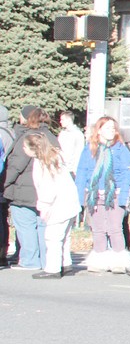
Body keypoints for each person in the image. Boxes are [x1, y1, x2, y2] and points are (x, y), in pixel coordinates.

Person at [74, 116, 130, 274]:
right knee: (98, 229)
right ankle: (99, 260)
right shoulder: (89, 149)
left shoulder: (121, 149)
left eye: (113, 128)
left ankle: (119, 261)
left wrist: (123, 196)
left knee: (115, 228)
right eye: (107, 128)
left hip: (114, 194)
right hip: (94, 194)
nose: (111, 131)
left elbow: (126, 172)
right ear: (99, 130)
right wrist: (80, 196)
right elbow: (82, 172)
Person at [3, 106, 58, 270]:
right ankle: (44, 259)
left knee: (25, 225)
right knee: (41, 226)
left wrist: (3, 183)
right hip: (45, 190)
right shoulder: (51, 136)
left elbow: (16, 166)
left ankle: (29, 260)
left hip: (23, 190)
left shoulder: (28, 137)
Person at [22, 133, 80, 279]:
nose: (24, 149)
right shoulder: (55, 156)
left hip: (58, 204)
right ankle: (66, 264)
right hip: (70, 201)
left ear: (34, 148)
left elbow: (47, 188)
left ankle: (53, 268)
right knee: (65, 236)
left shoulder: (44, 162)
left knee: (52, 237)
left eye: (25, 146)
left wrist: (43, 206)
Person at [0, 104, 15, 267]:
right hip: (8, 180)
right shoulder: (12, 131)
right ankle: (4, 250)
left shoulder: (0, 134)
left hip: (2, 178)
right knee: (3, 217)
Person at [57, 111, 85, 177]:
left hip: (71, 169)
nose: (61, 121)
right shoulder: (62, 133)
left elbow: (79, 152)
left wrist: (75, 168)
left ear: (69, 120)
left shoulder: (77, 134)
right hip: (61, 167)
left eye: (62, 119)